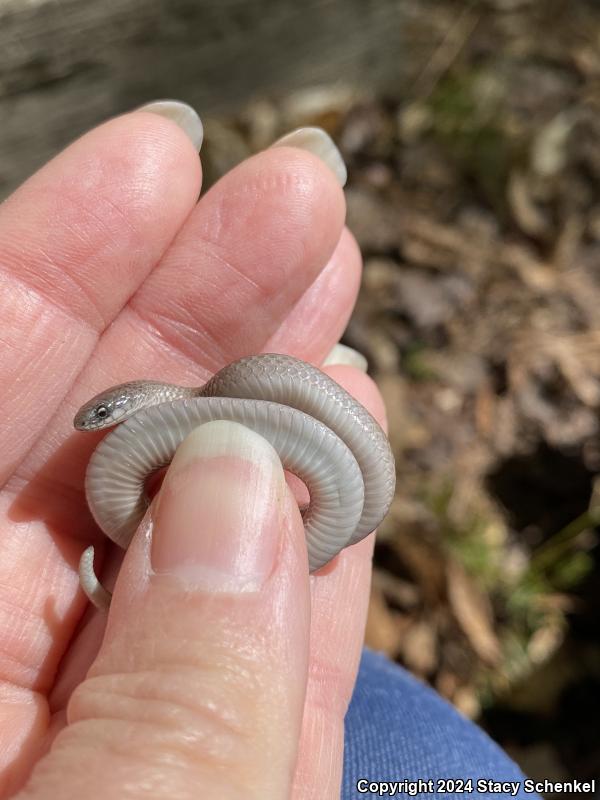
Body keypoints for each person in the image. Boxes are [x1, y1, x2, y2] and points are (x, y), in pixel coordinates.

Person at [0, 101, 537, 799]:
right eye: (104, 415)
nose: (101, 423)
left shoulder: (210, 397)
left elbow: (348, 494)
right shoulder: (186, 417)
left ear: (133, 401)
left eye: (108, 413)